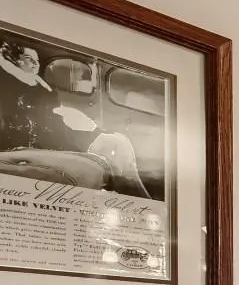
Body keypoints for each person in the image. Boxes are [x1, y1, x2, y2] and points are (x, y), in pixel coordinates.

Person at [0, 40, 151, 199]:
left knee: (118, 143)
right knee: (93, 165)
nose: (35, 64)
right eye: (29, 58)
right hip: (21, 148)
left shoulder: (43, 90)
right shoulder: (8, 84)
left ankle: (142, 204)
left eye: (37, 61)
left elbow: (55, 126)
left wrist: (94, 133)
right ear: (12, 59)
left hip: (52, 144)